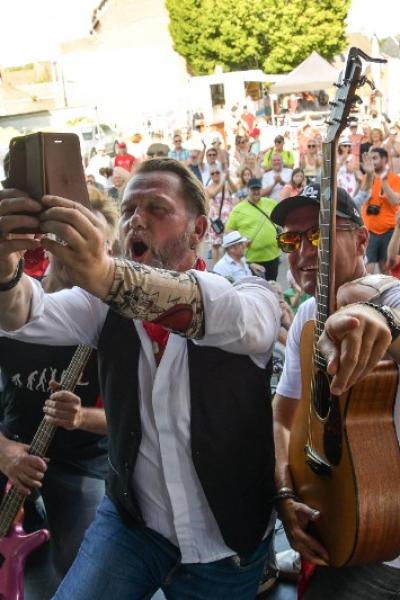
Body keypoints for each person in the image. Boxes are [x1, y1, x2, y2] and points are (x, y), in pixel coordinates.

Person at [0, 158, 282, 600]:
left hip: (224, 541)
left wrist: (107, 275)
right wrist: (3, 264)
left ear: (200, 229)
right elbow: (22, 315)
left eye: (157, 209)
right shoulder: (101, 308)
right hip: (134, 524)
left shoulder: (252, 294)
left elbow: (229, 316)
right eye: (130, 209)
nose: (137, 221)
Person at [270, 182, 400, 598]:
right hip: (351, 524)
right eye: (291, 238)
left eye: (320, 235)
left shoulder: (390, 294)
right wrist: (285, 494)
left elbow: (390, 308)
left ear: (362, 239)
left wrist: (380, 318)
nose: (304, 251)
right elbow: (282, 415)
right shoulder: (308, 315)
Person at [0, 189, 118, 596]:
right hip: (11, 451)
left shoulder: (110, 317)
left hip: (82, 463)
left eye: (94, 244)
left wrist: (83, 417)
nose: (81, 253)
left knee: (84, 567)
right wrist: (4, 451)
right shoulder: (11, 305)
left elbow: (136, 418)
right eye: (70, 237)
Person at [225, 177, 280, 280]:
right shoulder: (238, 209)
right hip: (253, 259)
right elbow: (228, 230)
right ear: (248, 190)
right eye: (253, 189)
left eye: (258, 189)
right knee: (256, 289)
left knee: (273, 287)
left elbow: (282, 217)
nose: (256, 192)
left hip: (273, 256)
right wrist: (243, 239)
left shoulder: (270, 203)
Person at [362, 147, 400, 274]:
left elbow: (395, 200)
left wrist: (383, 179)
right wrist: (368, 175)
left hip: (389, 231)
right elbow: (361, 196)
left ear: (384, 159)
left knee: (387, 269)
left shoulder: (395, 179)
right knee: (368, 269)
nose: (372, 161)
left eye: (375, 158)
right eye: (370, 158)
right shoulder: (368, 177)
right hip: (370, 232)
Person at [206, 168, 237, 262]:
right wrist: (224, 180)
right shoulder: (208, 187)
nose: (215, 174)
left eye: (217, 172)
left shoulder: (226, 184)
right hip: (215, 220)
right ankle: (216, 269)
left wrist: (229, 179)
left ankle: (229, 267)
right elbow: (213, 193)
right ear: (210, 175)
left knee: (229, 244)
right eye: (212, 173)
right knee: (215, 245)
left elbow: (235, 190)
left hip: (228, 219)